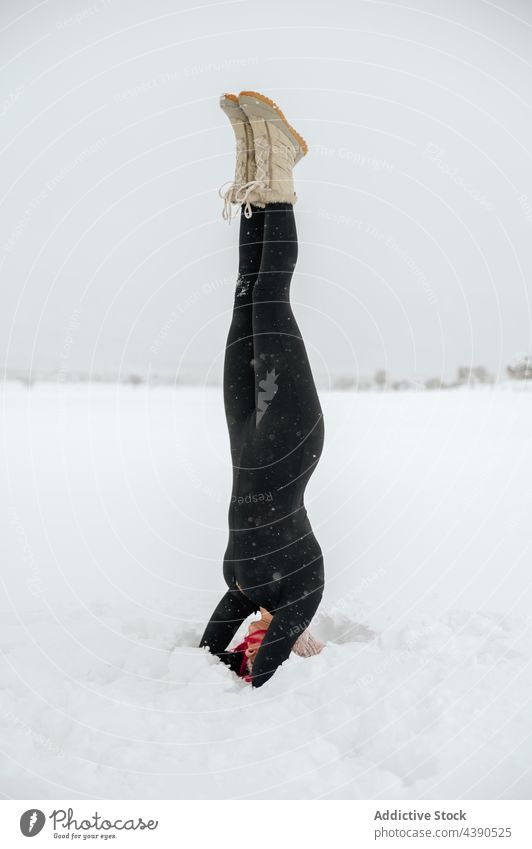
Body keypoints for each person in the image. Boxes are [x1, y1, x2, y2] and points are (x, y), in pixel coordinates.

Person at [199, 91, 325, 687]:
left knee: (246, 297)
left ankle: (252, 164)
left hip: (247, 433)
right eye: (262, 636)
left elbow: (209, 649)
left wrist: (242, 633)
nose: (252, 636)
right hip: (291, 435)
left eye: (252, 634)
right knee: (271, 300)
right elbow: (255, 671)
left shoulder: (241, 586)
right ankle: (280, 162)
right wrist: (286, 637)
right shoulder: (303, 585)